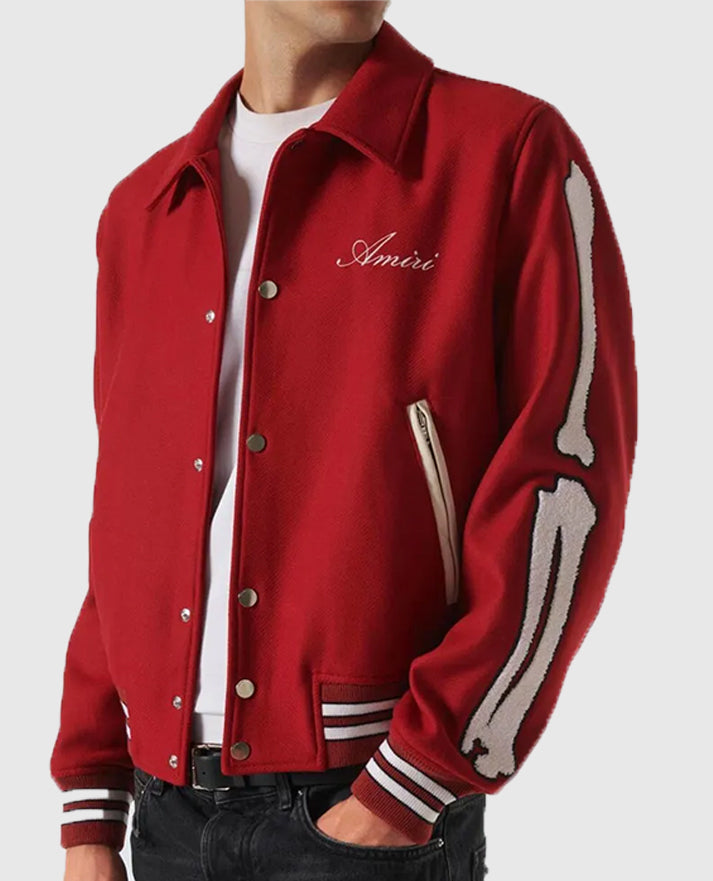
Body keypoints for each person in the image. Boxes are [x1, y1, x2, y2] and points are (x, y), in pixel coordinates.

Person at [50, 2, 638, 879]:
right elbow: (128, 516)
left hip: (370, 799)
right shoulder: (144, 208)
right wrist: (90, 801)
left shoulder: (502, 150)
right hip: (159, 811)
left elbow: (566, 479)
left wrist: (416, 779)